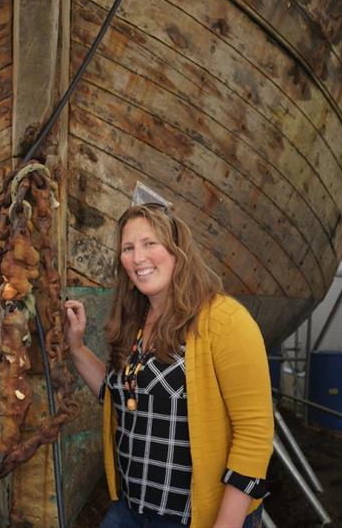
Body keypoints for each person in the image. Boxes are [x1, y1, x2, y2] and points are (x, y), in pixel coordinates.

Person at [65, 203, 273, 528]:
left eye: (150, 244)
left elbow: (255, 433)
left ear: (178, 252)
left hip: (191, 518)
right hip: (130, 509)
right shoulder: (136, 321)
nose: (138, 258)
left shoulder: (224, 319)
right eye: (128, 248)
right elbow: (121, 396)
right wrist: (76, 347)